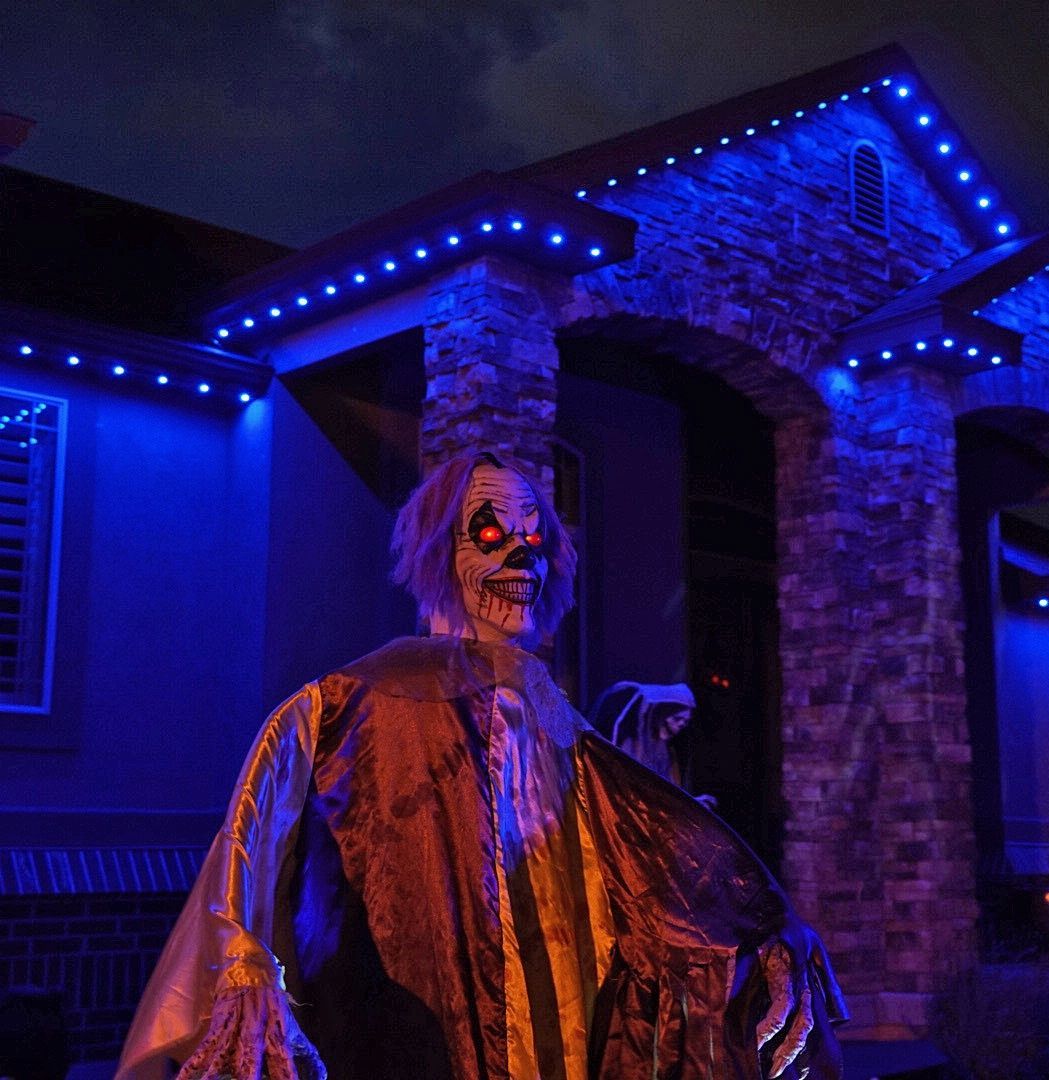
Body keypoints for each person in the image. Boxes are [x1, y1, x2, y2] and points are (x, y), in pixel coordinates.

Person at [116, 450, 844, 1080]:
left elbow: (642, 857)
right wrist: (243, 978)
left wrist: (755, 924)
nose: (520, 557)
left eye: (534, 539)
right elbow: (241, 870)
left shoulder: (554, 726)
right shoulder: (337, 713)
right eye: (490, 535)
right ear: (439, 551)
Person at [589, 681, 718, 810]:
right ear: (662, 713)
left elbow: (668, 790)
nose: (681, 724)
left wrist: (692, 803)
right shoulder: (633, 744)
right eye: (677, 718)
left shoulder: (666, 752)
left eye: (686, 721)